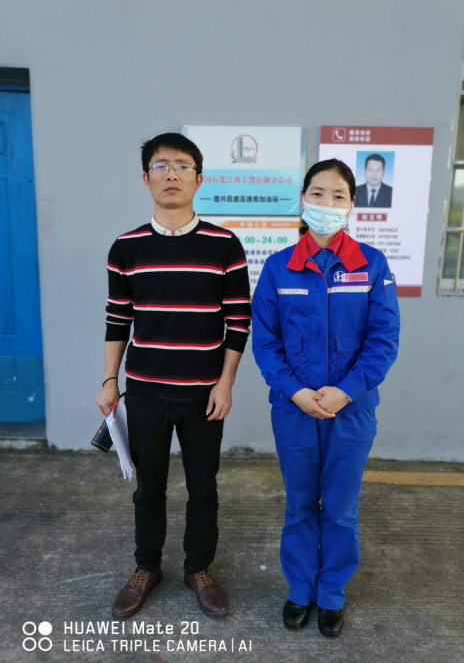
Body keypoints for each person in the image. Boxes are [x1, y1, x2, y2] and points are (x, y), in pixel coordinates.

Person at [95, 133, 251, 619]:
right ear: (146, 179)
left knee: (204, 487)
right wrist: (109, 380)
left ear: (198, 179)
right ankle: (147, 567)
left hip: (205, 394)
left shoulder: (225, 245)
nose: (171, 174)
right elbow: (117, 319)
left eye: (182, 166)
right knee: (149, 488)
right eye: (161, 166)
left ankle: (198, 569)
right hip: (145, 392)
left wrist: (225, 383)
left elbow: (238, 320)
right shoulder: (126, 247)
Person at [252, 158, 399, 638]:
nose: (326, 203)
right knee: (299, 503)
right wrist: (295, 391)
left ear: (351, 204)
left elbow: (383, 340)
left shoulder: (371, 265)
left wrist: (346, 391)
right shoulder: (278, 268)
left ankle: (332, 592)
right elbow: (265, 342)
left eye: (338, 195)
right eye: (317, 193)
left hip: (351, 412)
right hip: (293, 411)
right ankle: (300, 590)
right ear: (303, 198)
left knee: (339, 506)